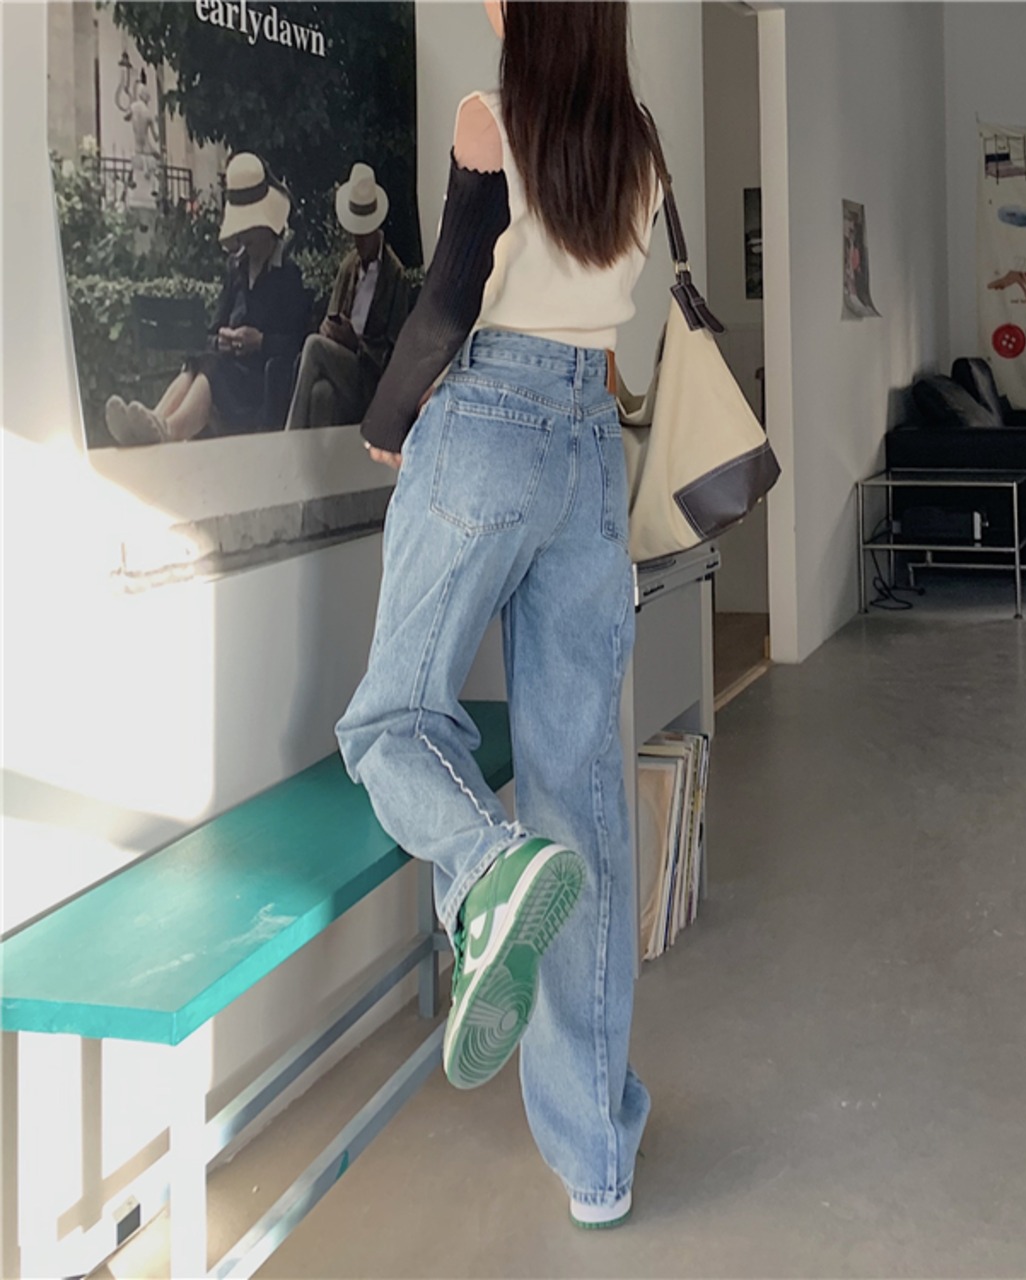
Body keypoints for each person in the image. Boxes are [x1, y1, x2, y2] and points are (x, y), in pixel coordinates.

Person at [335, 0, 663, 1230]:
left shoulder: (491, 119)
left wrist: (386, 422)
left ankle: (486, 866)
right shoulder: (636, 139)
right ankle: (597, 1164)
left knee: (390, 723)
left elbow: (448, 301)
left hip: (485, 422)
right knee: (581, 792)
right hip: (588, 443)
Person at [105, 153, 310, 446]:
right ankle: (155, 419)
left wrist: (260, 341)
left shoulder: (287, 276)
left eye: (251, 230)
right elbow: (211, 332)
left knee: (214, 368)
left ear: (268, 228)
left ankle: (169, 431)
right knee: (201, 361)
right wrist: (221, 340)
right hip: (226, 369)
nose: (245, 238)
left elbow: (297, 343)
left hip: (258, 385)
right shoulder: (236, 269)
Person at [284, 162, 410, 430]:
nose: (359, 240)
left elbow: (395, 349)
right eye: (356, 233)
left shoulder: (394, 275)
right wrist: (331, 330)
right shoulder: (348, 266)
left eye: (364, 233)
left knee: (313, 346)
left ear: (376, 228)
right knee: (321, 395)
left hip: (370, 375)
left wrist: (358, 343)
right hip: (341, 366)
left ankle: (289, 435)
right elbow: (330, 321)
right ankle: (311, 457)